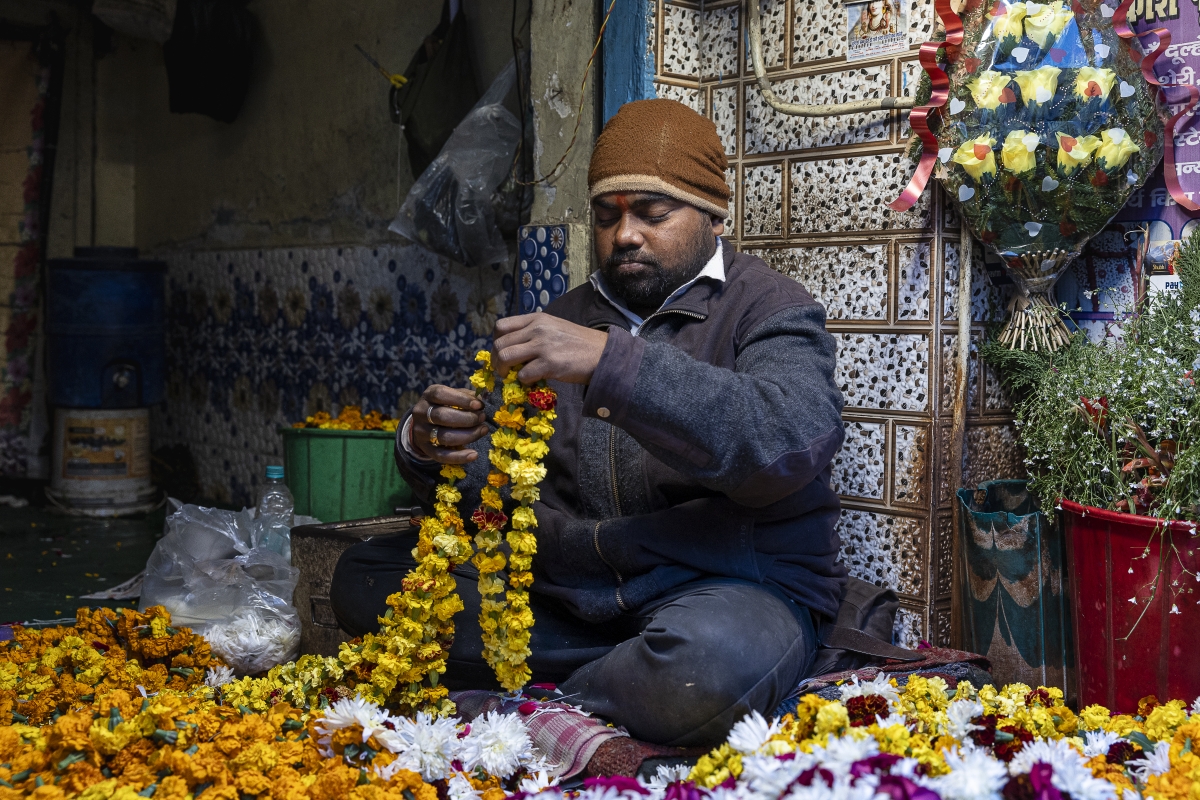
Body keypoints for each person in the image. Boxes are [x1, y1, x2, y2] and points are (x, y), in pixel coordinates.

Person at [330, 98, 847, 748]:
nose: (625, 234)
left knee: (702, 666)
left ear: (716, 214)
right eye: (607, 216)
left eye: (652, 213)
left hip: (720, 592)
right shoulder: (560, 317)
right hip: (568, 594)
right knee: (368, 578)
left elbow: (788, 443)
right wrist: (432, 447)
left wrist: (613, 363)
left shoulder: (769, 308)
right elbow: (493, 501)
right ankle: (601, 689)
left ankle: (539, 698)